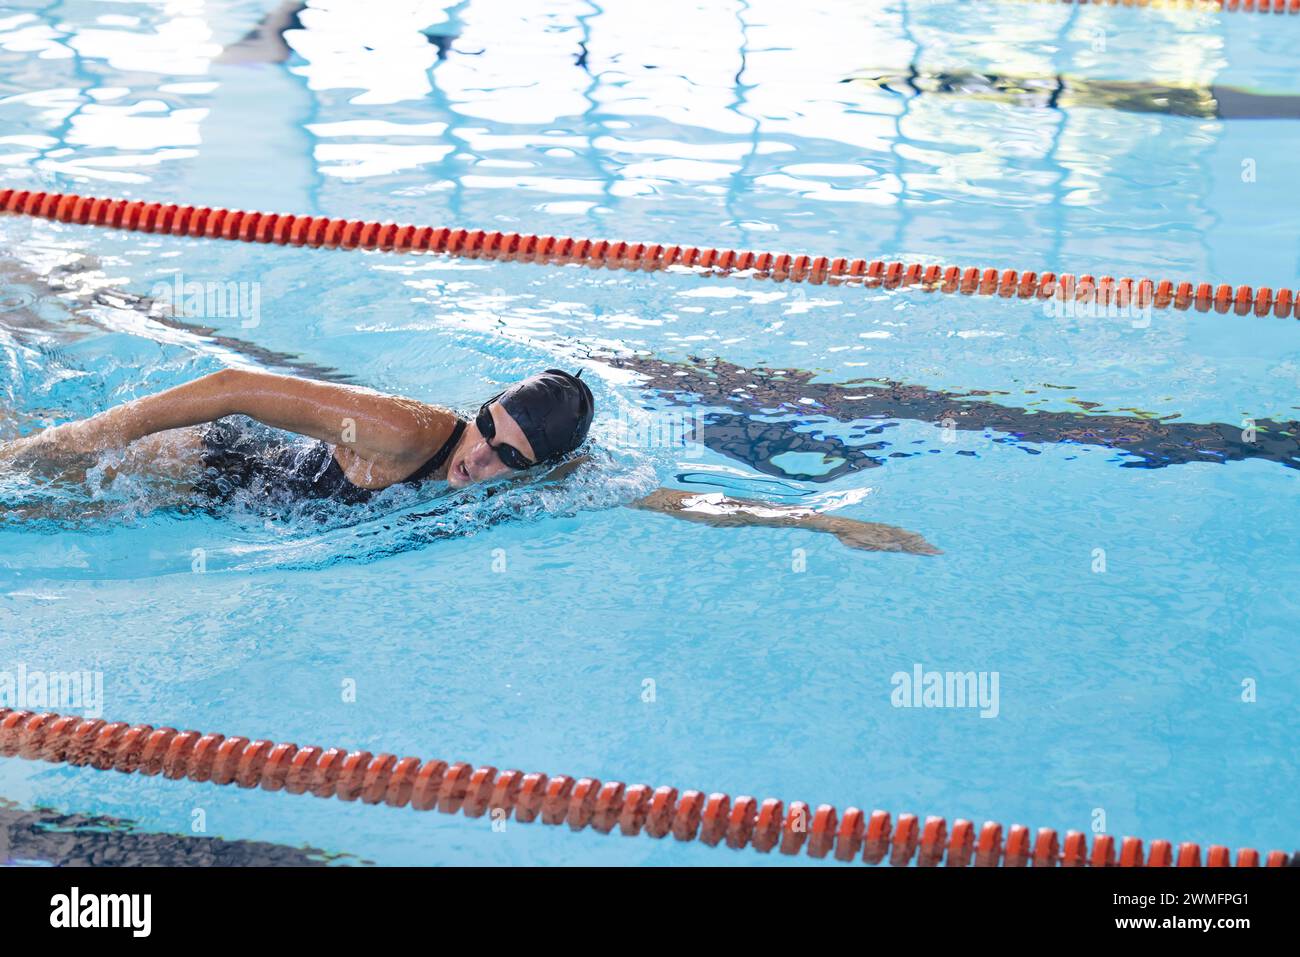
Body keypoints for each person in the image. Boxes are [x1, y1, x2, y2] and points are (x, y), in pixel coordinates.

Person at [0, 366, 939, 554]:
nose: (479, 462)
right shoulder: (410, 432)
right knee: (24, 479)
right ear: (481, 408)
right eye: (488, 431)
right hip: (206, 466)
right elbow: (231, 384)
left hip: (237, 517)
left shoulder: (547, 476)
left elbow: (673, 502)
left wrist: (819, 520)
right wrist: (86, 440)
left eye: (509, 460)